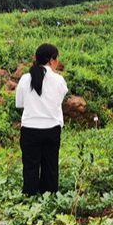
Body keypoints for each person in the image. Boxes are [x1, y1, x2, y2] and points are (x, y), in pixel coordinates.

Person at [15, 43, 68, 196]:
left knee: (30, 166)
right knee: (50, 166)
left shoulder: (25, 79)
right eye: (57, 58)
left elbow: (20, 104)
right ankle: (49, 197)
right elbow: (58, 100)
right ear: (52, 60)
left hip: (30, 130)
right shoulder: (59, 80)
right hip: (52, 129)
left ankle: (29, 197)